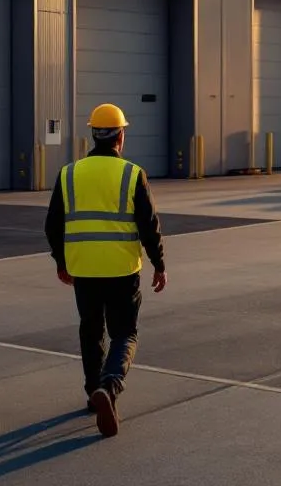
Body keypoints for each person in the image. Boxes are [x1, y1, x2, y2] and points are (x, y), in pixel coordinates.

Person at [45, 103, 168, 438]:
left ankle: (92, 394)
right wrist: (159, 264)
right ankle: (110, 387)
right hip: (121, 268)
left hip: (83, 269)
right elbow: (149, 226)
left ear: (93, 134)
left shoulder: (69, 173)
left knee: (91, 330)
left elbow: (52, 224)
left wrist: (61, 262)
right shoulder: (132, 173)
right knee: (124, 333)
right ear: (121, 136)